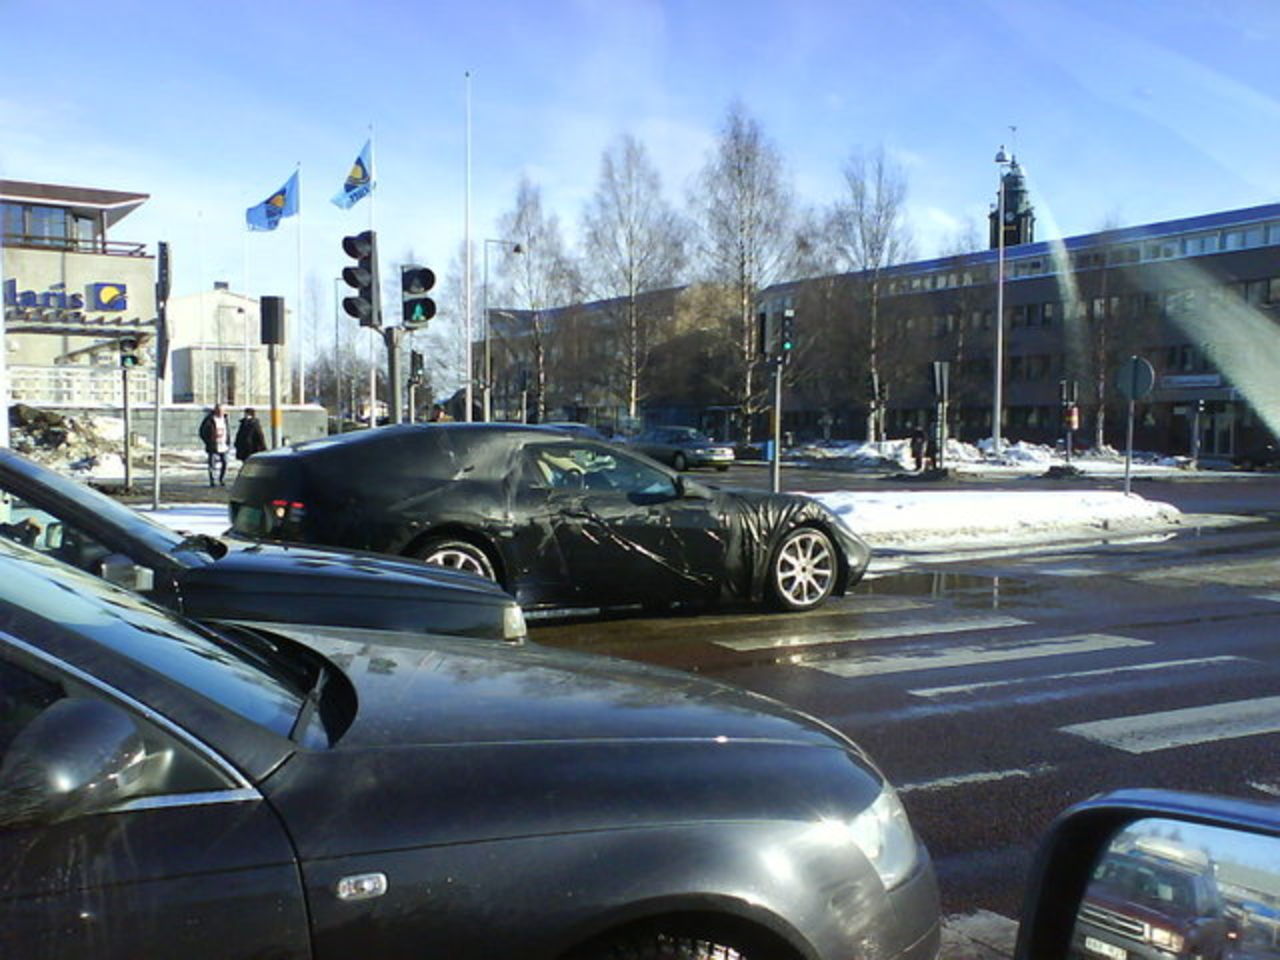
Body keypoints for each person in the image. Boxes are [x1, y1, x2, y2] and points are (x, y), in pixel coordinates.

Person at [199, 403, 231, 487]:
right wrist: (208, 441)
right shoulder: (210, 419)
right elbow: (202, 432)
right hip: (213, 445)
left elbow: (227, 431)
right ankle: (212, 480)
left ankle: (221, 479)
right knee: (212, 464)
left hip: (223, 445)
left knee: (224, 462)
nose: (221, 412)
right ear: (216, 410)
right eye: (219, 411)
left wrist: (228, 441)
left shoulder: (225, 419)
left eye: (223, 411)